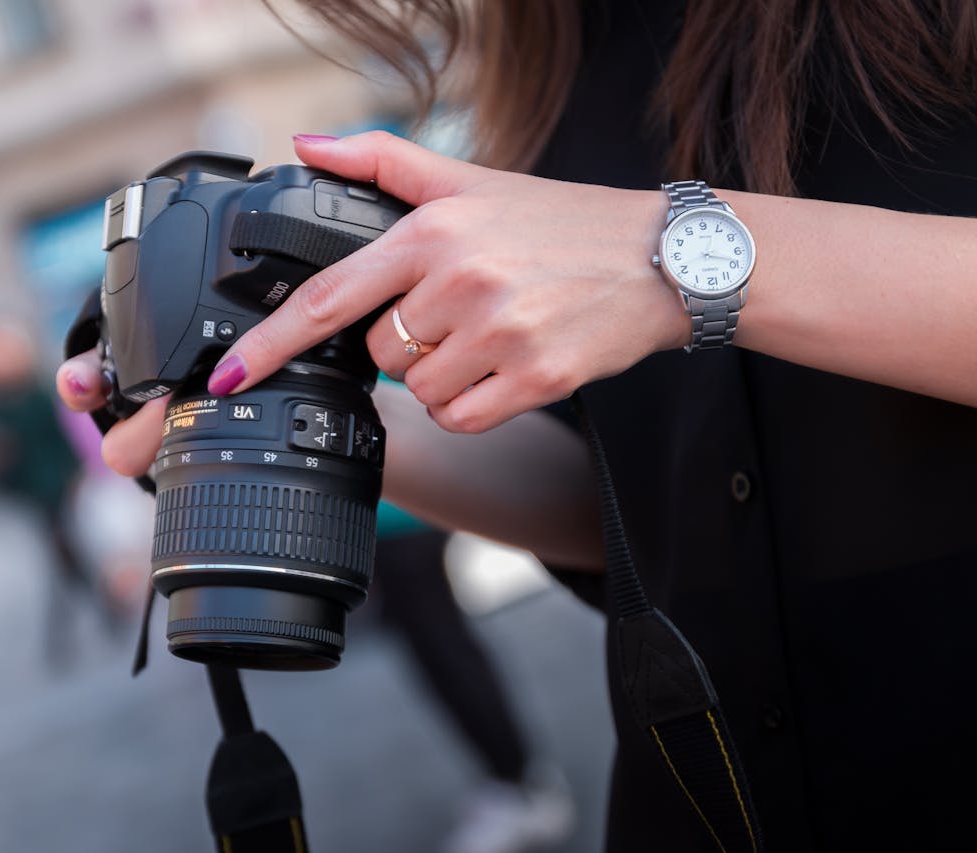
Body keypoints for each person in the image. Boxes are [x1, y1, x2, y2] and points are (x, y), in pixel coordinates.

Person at [58, 2, 977, 849]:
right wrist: (304, 397)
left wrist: (669, 260)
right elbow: (627, 501)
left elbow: (649, 274)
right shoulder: (556, 48)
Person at [372, 502, 575, 853]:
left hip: (396, 514)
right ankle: (517, 782)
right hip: (395, 511)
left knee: (443, 649)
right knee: (439, 645)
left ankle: (520, 787)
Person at [0, 315, 124, 669]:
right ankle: (102, 614)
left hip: (59, 485)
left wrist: (76, 474)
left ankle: (65, 637)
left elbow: (62, 437)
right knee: (66, 561)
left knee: (65, 559)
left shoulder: (38, 390)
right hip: (35, 494)